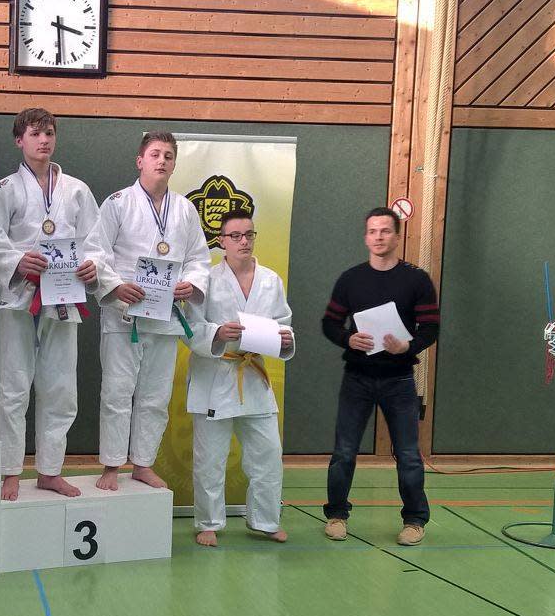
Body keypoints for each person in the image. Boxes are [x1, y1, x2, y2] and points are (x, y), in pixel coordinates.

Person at [0, 108, 100, 501]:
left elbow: (95, 244)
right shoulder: (4, 190)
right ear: (19, 140)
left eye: (49, 133)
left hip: (64, 299)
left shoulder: (77, 190)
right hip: (19, 299)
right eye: (35, 133)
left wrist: (92, 267)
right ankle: (10, 470)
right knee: (14, 387)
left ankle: (50, 470)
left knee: (61, 388)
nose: (43, 140)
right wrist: (17, 261)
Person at [85, 131, 210, 491]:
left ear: (174, 164)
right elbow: (95, 251)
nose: (162, 161)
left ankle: (142, 463)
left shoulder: (185, 209)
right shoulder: (118, 203)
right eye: (155, 154)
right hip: (125, 314)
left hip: (166, 315)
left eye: (168, 156)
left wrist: (191, 284)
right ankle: (111, 465)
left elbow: (198, 259)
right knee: (117, 393)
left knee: (156, 397)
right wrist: (115, 286)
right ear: (140, 161)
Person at [320, 206, 439, 545]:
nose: (378, 237)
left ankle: (414, 520)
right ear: (365, 237)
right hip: (356, 378)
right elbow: (330, 323)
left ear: (397, 237)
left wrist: (408, 346)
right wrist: (347, 338)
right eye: (372, 231)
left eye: (385, 231)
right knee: (344, 452)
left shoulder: (416, 280)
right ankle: (336, 515)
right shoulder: (350, 279)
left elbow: (431, 327)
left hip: (399, 380)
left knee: (408, 455)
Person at [185, 210, 294, 546]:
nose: (244, 241)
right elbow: (190, 328)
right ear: (222, 242)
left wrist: (285, 339)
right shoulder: (205, 280)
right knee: (210, 458)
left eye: (249, 234)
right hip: (215, 377)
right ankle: (208, 523)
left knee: (268, 455)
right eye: (235, 236)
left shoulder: (271, 280)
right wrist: (217, 333)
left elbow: (283, 322)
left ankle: (265, 520)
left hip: (254, 377)